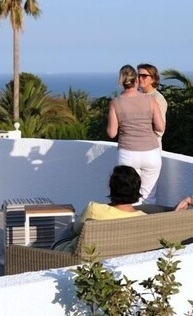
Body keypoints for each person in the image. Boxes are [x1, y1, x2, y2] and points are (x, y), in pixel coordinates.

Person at [107, 65, 165, 204]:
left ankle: (133, 224)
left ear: (121, 82)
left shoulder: (115, 103)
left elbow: (111, 133)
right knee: (149, 196)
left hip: (128, 152)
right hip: (151, 152)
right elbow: (160, 126)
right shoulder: (150, 100)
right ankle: (149, 224)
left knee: (130, 195)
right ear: (136, 81)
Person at [53, 165, 147, 251]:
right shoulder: (144, 218)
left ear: (111, 187)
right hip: (119, 256)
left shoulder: (95, 209)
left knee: (70, 227)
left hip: (71, 257)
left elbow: (76, 230)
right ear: (137, 189)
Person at [137, 63, 168, 143]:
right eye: (138, 75)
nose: (140, 78)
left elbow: (159, 130)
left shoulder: (158, 99)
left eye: (144, 76)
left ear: (153, 79)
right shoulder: (136, 96)